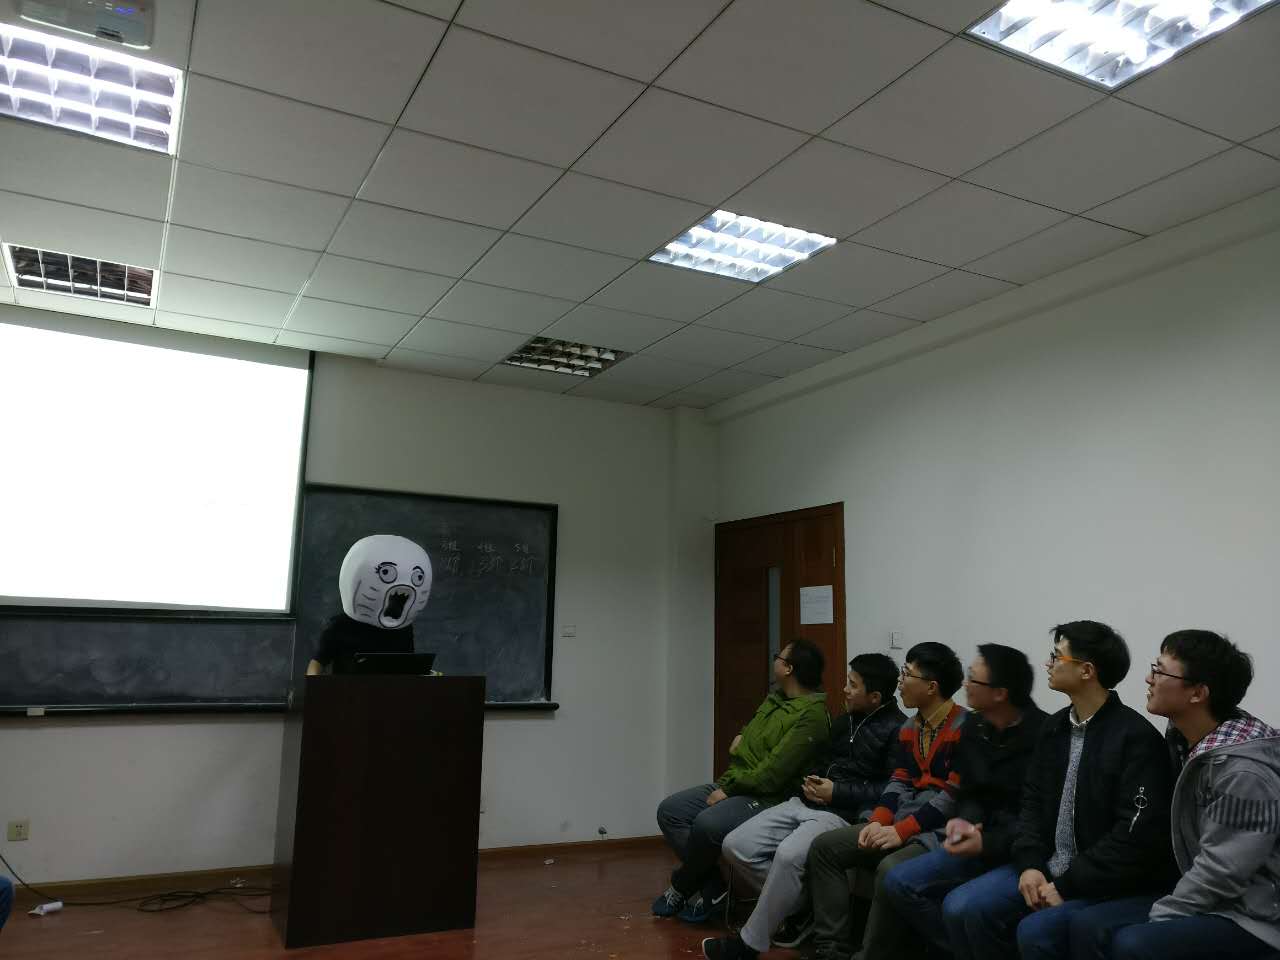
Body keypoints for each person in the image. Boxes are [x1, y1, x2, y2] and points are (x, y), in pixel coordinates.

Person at [947, 621, 1176, 960]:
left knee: (1034, 930)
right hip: (1045, 865)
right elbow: (1031, 802)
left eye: (1057, 657)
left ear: (1086, 671)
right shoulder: (1054, 727)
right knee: (961, 906)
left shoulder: (1135, 738)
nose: (1048, 664)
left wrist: (1067, 884)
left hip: (1099, 880)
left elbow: (1131, 836)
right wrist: (1029, 864)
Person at [1069, 630, 1280, 960]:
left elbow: (1222, 872)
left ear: (1198, 693)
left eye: (1160, 670)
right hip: (1204, 893)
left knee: (1133, 944)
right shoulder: (1183, 742)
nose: (1148, 678)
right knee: (1085, 925)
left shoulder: (1242, 773)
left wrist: (1162, 914)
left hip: (1253, 915)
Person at [701, 653, 906, 960]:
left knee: (787, 855)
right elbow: (823, 760)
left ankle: (748, 944)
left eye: (853, 685)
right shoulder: (845, 720)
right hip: (806, 800)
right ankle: (806, 906)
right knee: (736, 845)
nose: (845, 689)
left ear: (874, 696)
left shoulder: (898, 730)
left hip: (840, 814)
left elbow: (889, 789)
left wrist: (837, 793)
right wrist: (814, 781)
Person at [802, 641, 967, 960]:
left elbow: (952, 797)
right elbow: (899, 780)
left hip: (940, 829)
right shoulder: (910, 727)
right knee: (825, 848)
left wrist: (900, 831)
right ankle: (831, 949)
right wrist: (878, 820)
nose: (900, 682)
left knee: (889, 868)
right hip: (904, 819)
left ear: (931, 687)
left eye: (907, 674)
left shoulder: (965, 728)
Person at [881, 643, 1047, 957]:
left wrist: (986, 842)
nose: (964, 685)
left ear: (1000, 693)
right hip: (978, 841)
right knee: (898, 882)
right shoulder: (975, 726)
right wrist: (964, 821)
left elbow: (1036, 816)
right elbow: (969, 791)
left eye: (973, 679)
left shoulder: (1044, 735)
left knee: (960, 907)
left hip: (1021, 850)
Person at [653, 639, 829, 925]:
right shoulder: (775, 698)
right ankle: (714, 888)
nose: (774, 660)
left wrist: (729, 789)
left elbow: (774, 772)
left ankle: (682, 885)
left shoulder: (812, 716)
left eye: (779, 657)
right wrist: (740, 745)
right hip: (737, 780)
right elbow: (747, 738)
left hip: (769, 796)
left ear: (788, 668)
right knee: (671, 811)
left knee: (707, 824)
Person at [306, 534, 432, 675]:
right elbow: (317, 662)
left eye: (418, 577)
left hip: (387, 688)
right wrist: (315, 684)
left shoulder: (404, 629)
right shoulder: (340, 625)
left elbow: (407, 666)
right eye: (386, 572)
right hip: (348, 688)